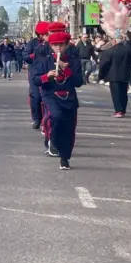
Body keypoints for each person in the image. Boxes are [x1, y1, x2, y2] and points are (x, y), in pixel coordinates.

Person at [31, 30, 83, 170]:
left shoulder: (73, 61)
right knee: (55, 116)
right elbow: (36, 80)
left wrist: (67, 71)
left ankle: (65, 158)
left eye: (61, 45)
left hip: (69, 95)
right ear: (51, 46)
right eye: (55, 45)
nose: (58, 48)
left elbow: (78, 82)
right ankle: (52, 141)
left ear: (66, 45)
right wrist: (47, 76)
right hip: (51, 94)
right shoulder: (45, 60)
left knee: (69, 129)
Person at [98, 37, 131, 117]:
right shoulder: (128, 51)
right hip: (125, 74)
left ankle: (118, 110)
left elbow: (104, 64)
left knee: (116, 93)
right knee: (123, 93)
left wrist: (101, 75)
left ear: (114, 41)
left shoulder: (110, 51)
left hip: (113, 75)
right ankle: (123, 110)